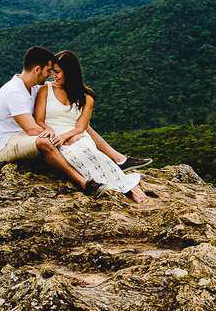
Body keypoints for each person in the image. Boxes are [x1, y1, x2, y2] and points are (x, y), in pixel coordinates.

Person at [35, 50, 148, 203]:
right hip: (53, 135)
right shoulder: (45, 90)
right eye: (53, 72)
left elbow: (81, 127)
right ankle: (109, 185)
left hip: (75, 134)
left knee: (88, 151)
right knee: (73, 156)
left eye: (57, 72)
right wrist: (54, 134)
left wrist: (68, 136)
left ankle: (128, 186)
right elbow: (39, 120)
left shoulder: (86, 97)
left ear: (70, 72)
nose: (53, 75)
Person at [0, 46, 104, 195]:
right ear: (37, 70)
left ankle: (116, 160)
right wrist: (59, 137)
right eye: (48, 71)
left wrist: (70, 131)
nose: (50, 75)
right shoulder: (14, 91)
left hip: (24, 136)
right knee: (46, 142)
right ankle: (83, 183)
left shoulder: (33, 87)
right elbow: (32, 130)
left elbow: (59, 93)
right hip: (7, 143)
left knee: (79, 126)